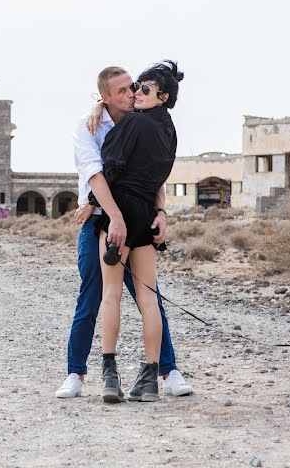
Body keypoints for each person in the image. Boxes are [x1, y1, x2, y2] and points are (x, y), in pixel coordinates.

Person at [55, 65, 193, 399]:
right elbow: (94, 172)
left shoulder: (138, 117)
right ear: (104, 97)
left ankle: (166, 370)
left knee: (143, 295)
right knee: (92, 295)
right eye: (124, 90)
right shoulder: (90, 125)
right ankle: (76, 373)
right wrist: (101, 208)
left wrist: (161, 211)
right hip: (103, 221)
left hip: (120, 219)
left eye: (135, 87)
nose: (132, 92)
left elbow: (153, 177)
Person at [93, 60, 183, 403]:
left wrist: (93, 203)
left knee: (111, 294)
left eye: (143, 89)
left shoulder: (134, 123)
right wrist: (160, 210)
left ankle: (109, 375)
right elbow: (160, 177)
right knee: (148, 297)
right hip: (147, 213)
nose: (136, 94)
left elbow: (110, 165)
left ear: (161, 95)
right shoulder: (169, 129)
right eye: (135, 88)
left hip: (120, 211)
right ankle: (149, 379)